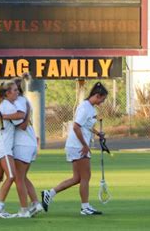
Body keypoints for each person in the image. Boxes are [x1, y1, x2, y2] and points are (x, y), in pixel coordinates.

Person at [41, 82, 108, 215]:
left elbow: (86, 125)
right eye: (103, 99)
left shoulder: (90, 108)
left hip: (77, 145)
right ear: (97, 95)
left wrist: (97, 133)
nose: (102, 102)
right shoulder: (85, 107)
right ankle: (85, 207)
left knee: (77, 178)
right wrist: (84, 145)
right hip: (78, 145)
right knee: (85, 177)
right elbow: (76, 127)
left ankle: (49, 193)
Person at [0, 81, 29, 218]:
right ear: (7, 93)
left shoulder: (2, 105)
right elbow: (20, 116)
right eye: (15, 90)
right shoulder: (7, 105)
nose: (18, 92)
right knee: (11, 176)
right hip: (4, 146)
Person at [12, 76, 44, 216]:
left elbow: (23, 125)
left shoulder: (19, 102)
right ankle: (36, 204)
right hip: (29, 142)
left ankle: (23, 209)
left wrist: (5, 119)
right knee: (23, 177)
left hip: (22, 143)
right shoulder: (24, 100)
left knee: (18, 177)